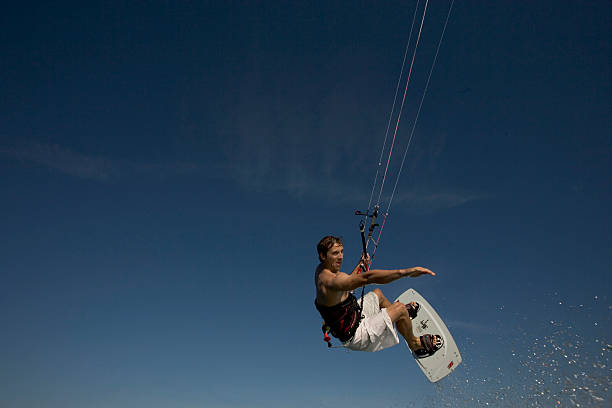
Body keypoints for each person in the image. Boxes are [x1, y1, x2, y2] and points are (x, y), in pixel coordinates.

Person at [314, 235, 443, 355]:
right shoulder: (330, 281)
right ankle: (415, 343)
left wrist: (360, 265)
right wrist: (406, 272)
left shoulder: (322, 270)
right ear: (323, 255)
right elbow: (367, 279)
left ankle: (399, 318)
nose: (341, 257)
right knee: (400, 308)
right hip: (355, 335)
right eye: (335, 253)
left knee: (378, 294)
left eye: (341, 251)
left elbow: (345, 287)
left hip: (353, 315)